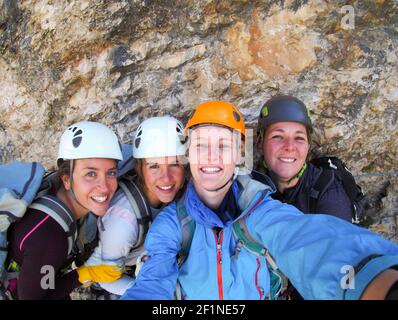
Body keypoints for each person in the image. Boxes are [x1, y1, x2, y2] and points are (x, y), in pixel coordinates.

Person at [120, 100, 398, 300]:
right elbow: (153, 281)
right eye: (201, 145)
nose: (211, 157)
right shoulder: (173, 224)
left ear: (240, 155)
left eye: (223, 146)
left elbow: (303, 238)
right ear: (188, 154)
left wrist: (371, 277)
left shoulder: (260, 211)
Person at [5, 121, 123, 299]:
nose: (105, 187)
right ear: (66, 179)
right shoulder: (50, 236)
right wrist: (82, 275)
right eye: (90, 174)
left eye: (111, 173)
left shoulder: (52, 190)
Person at [84, 116, 187, 298]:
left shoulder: (184, 186)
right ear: (140, 168)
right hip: (115, 265)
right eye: (154, 166)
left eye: (174, 164)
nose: (166, 178)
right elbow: (105, 277)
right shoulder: (122, 223)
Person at [256, 95, 353, 222]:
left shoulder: (330, 194)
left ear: (308, 146)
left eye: (299, 138)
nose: (289, 147)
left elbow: (335, 238)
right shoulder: (254, 185)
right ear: (259, 144)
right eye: (278, 136)